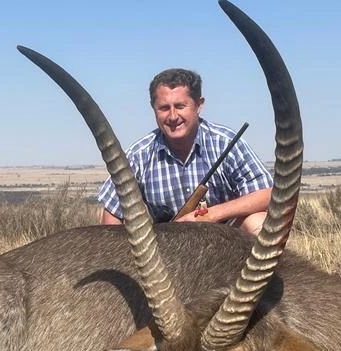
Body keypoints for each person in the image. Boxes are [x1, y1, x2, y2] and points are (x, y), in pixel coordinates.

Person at [98, 68, 272, 236]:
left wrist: (211, 214)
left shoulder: (225, 141)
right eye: (164, 108)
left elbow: (267, 193)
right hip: (168, 251)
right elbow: (112, 212)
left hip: (228, 244)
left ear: (198, 105)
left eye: (180, 106)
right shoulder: (138, 155)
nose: (173, 116)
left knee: (259, 223)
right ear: (154, 109)